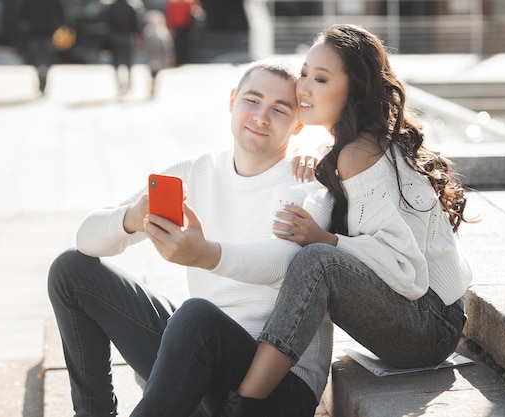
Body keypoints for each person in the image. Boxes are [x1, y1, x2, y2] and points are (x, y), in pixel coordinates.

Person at [47, 59, 333, 417]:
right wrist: (131, 219)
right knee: (71, 270)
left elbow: (287, 261)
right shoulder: (197, 171)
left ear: (298, 123)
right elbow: (86, 238)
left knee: (195, 316)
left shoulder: (309, 184)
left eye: (279, 109)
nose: (261, 116)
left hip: (276, 390)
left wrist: (207, 255)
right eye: (252, 100)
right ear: (232, 101)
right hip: (196, 366)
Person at [216, 23, 474, 417]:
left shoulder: (359, 154)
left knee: (316, 261)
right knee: (315, 257)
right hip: (425, 315)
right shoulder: (355, 145)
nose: (304, 87)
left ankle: (243, 407)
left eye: (321, 78)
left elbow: (404, 268)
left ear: (353, 89)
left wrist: (325, 238)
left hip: (430, 326)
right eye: (304, 73)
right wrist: (312, 152)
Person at [19, 0, 66, 94]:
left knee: (48, 58)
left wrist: (62, 23)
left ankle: (44, 74)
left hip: (48, 32)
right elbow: (23, 13)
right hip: (34, 32)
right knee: (36, 58)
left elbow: (60, 11)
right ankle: (41, 74)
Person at [106, 0, 146, 95]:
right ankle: (129, 81)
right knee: (128, 60)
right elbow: (135, 24)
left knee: (116, 60)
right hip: (127, 36)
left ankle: (118, 81)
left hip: (115, 36)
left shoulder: (111, 7)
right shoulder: (130, 7)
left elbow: (108, 22)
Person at [141, 10, 175, 97]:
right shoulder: (149, 33)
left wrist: (168, 57)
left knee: (154, 74)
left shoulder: (161, 34)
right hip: (153, 58)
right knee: (153, 74)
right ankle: (152, 87)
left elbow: (167, 48)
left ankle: (153, 87)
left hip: (156, 58)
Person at [164, 0, 205, 66]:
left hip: (184, 27)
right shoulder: (186, 2)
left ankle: (180, 60)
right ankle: (181, 60)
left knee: (180, 45)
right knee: (180, 45)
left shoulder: (175, 3)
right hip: (180, 27)